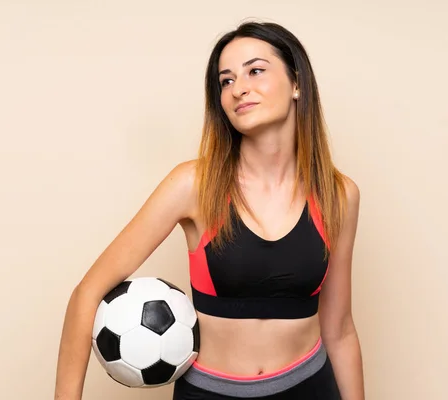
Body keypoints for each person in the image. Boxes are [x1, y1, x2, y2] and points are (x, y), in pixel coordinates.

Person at [54, 21, 364, 400]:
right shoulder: (193, 185)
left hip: (310, 388)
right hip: (209, 393)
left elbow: (340, 329)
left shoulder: (338, 195)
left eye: (255, 71)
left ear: (297, 83)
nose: (239, 89)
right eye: (226, 80)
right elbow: (87, 293)